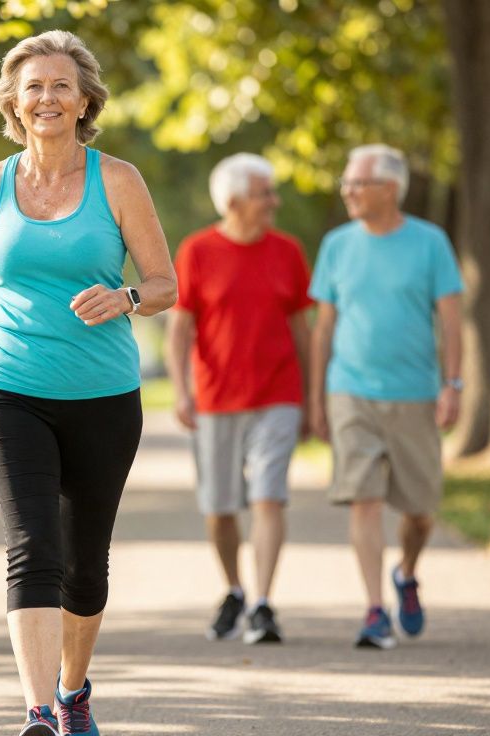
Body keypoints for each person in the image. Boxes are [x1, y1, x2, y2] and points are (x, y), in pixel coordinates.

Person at [0, 30, 176, 736]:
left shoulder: (118, 180)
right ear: (12, 101)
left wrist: (126, 298)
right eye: (33, 86)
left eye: (61, 85)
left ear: (84, 100)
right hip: (9, 388)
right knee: (31, 545)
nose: (47, 97)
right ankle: (37, 709)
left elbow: (166, 284)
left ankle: (72, 690)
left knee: (85, 566)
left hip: (103, 394)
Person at [307, 144, 464, 649]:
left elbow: (452, 319)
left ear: (390, 189)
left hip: (415, 392)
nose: (347, 191)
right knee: (365, 499)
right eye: (346, 182)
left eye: (358, 183)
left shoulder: (430, 243)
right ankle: (375, 610)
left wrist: (453, 384)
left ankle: (408, 573)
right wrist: (316, 398)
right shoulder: (336, 245)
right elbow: (323, 327)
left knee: (420, 511)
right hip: (350, 390)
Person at [166, 153, 312, 646]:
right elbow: (179, 330)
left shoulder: (288, 251)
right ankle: (234, 589)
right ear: (232, 202)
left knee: (269, 495)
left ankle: (264, 603)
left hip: (278, 392)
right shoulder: (197, 251)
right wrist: (182, 392)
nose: (274, 201)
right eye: (264, 193)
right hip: (216, 398)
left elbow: (302, 330)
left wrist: (312, 398)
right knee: (220, 507)